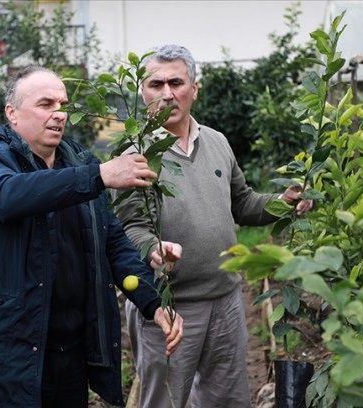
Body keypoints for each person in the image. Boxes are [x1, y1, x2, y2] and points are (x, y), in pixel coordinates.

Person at [0, 66, 184, 408]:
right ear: (12, 112)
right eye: (45, 104)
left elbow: (111, 242)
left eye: (63, 104)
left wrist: (153, 302)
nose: (59, 114)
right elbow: (6, 196)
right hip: (9, 351)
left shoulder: (78, 159)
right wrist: (98, 176)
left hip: (71, 351)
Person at [115, 44, 313, 408]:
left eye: (176, 82)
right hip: (169, 308)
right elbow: (129, 229)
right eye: (155, 84)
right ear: (143, 92)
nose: (166, 93)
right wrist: (153, 248)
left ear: (194, 88)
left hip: (225, 299)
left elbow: (242, 203)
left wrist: (281, 203)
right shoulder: (132, 157)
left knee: (226, 399)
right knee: (165, 400)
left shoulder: (217, 142)